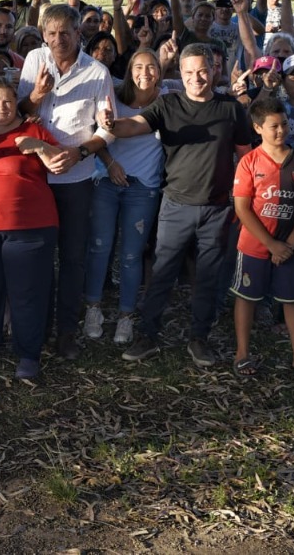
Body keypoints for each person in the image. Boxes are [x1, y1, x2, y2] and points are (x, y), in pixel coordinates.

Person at [106, 43, 253, 367]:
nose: (196, 78)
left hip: (217, 209)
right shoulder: (168, 104)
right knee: (162, 273)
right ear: (180, 74)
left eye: (202, 71)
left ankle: (199, 338)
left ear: (213, 70)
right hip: (175, 206)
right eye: (188, 72)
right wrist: (111, 125)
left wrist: (242, 202)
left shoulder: (231, 109)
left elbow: (245, 158)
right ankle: (148, 334)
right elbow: (135, 125)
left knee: (207, 276)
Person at [18, 4, 116, 360]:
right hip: (35, 176)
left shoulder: (97, 72)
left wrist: (81, 152)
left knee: (73, 257)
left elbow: (108, 129)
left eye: (65, 33)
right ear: (43, 35)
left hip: (76, 179)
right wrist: (36, 95)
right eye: (52, 33)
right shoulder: (34, 60)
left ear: (78, 34)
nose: (58, 39)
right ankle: (39, 327)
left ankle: (67, 332)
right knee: (39, 256)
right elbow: (19, 114)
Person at [0, 79, 62, 380]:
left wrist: (39, 146)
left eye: (7, 101)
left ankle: (28, 352)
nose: (1, 107)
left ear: (15, 102)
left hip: (30, 223)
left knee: (26, 291)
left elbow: (61, 162)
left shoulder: (32, 129)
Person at [230, 95, 294, 378]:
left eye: (284, 124)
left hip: (291, 248)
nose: (281, 131)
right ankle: (242, 354)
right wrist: (271, 244)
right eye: (273, 126)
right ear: (258, 128)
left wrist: (289, 244)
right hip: (254, 246)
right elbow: (242, 208)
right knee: (247, 298)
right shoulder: (249, 162)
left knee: (292, 299)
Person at [83, 49, 164, 346]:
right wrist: (109, 163)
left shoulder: (166, 100)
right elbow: (95, 135)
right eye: (138, 67)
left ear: (160, 71)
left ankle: (126, 315)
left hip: (143, 187)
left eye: (151, 67)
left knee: (131, 255)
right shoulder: (113, 97)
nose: (145, 73)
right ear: (129, 70)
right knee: (99, 247)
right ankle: (93, 309)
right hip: (106, 181)